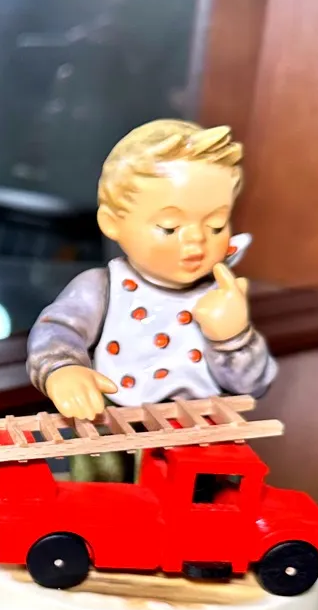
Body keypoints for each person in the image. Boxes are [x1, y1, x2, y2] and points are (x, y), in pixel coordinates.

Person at [25, 120, 277, 479]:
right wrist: (63, 369)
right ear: (112, 223)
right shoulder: (102, 287)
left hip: (195, 432)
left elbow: (253, 385)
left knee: (205, 495)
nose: (196, 240)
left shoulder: (221, 296)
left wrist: (233, 337)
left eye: (216, 225)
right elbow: (58, 330)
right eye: (170, 228)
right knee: (100, 488)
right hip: (112, 420)